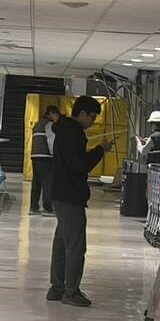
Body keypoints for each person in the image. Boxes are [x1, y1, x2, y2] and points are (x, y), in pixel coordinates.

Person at [48, 96, 113, 308]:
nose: (93, 122)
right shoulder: (73, 132)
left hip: (60, 193)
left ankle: (57, 288)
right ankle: (70, 291)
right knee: (75, 246)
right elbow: (80, 165)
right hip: (70, 195)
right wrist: (100, 150)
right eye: (92, 117)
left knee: (62, 242)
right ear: (82, 113)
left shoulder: (64, 130)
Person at [30, 105, 59, 215]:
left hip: (35, 155)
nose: (57, 117)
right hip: (45, 156)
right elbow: (51, 141)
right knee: (48, 182)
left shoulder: (37, 124)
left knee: (36, 182)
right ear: (51, 113)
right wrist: (55, 155)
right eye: (56, 115)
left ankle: (33, 207)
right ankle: (48, 208)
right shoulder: (49, 124)